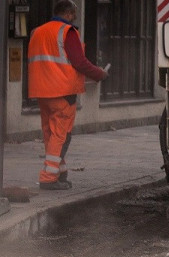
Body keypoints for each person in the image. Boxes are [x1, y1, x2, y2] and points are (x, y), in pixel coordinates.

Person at [27, 0, 108, 190]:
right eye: (74, 14)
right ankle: (48, 178)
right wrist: (100, 73)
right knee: (61, 135)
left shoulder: (37, 32)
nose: (75, 17)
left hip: (41, 91)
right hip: (62, 91)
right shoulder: (68, 32)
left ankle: (60, 171)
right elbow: (79, 62)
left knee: (50, 133)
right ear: (69, 14)